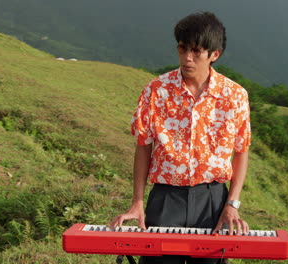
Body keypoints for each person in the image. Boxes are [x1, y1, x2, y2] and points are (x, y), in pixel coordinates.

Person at [110, 11, 251, 264]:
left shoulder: (235, 96)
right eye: (182, 49)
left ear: (214, 55)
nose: (187, 58)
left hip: (213, 200)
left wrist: (233, 204)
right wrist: (137, 202)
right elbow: (143, 147)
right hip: (165, 199)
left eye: (196, 52)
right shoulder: (156, 91)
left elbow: (241, 150)